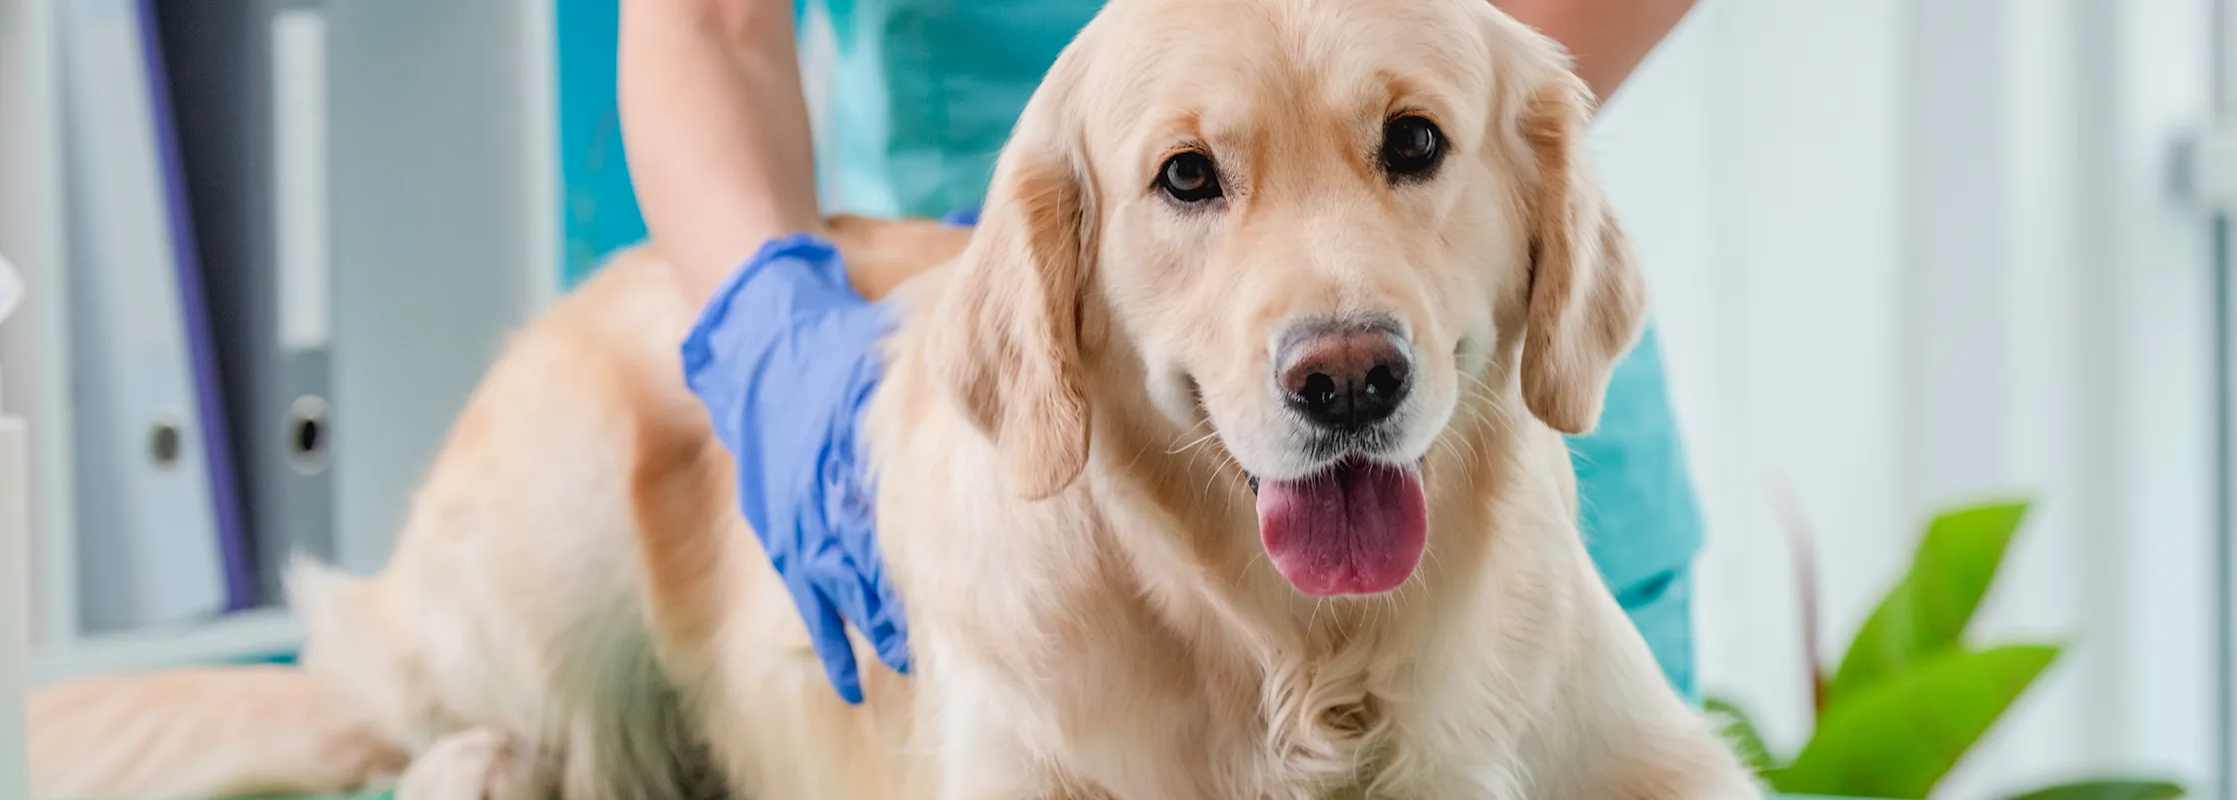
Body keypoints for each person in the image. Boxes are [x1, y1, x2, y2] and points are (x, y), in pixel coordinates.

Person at [631, 0, 1706, 704]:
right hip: (1019, 396)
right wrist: (772, 333)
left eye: (1409, 145)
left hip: (1480, 405)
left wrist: (1399, 86)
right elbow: (708, 22)